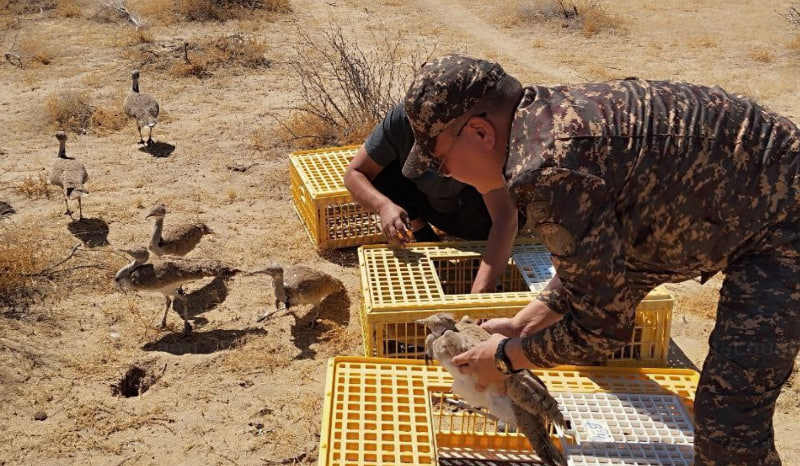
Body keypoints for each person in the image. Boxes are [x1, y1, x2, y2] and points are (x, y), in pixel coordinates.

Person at [401, 54, 799, 465]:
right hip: (743, 197)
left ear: (480, 132)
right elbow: (613, 263)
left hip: (784, 221)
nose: (445, 173)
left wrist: (504, 358)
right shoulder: (542, 120)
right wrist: (524, 323)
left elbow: (603, 330)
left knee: (729, 422)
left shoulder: (550, 172)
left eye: (441, 160)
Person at [344, 102, 520, 293]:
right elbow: (355, 173)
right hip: (433, 206)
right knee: (381, 170)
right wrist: (383, 206)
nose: (441, 169)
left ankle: (483, 252)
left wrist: (483, 286)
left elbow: (505, 216)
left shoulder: (482, 131)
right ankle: (423, 235)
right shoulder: (404, 119)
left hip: (479, 213)